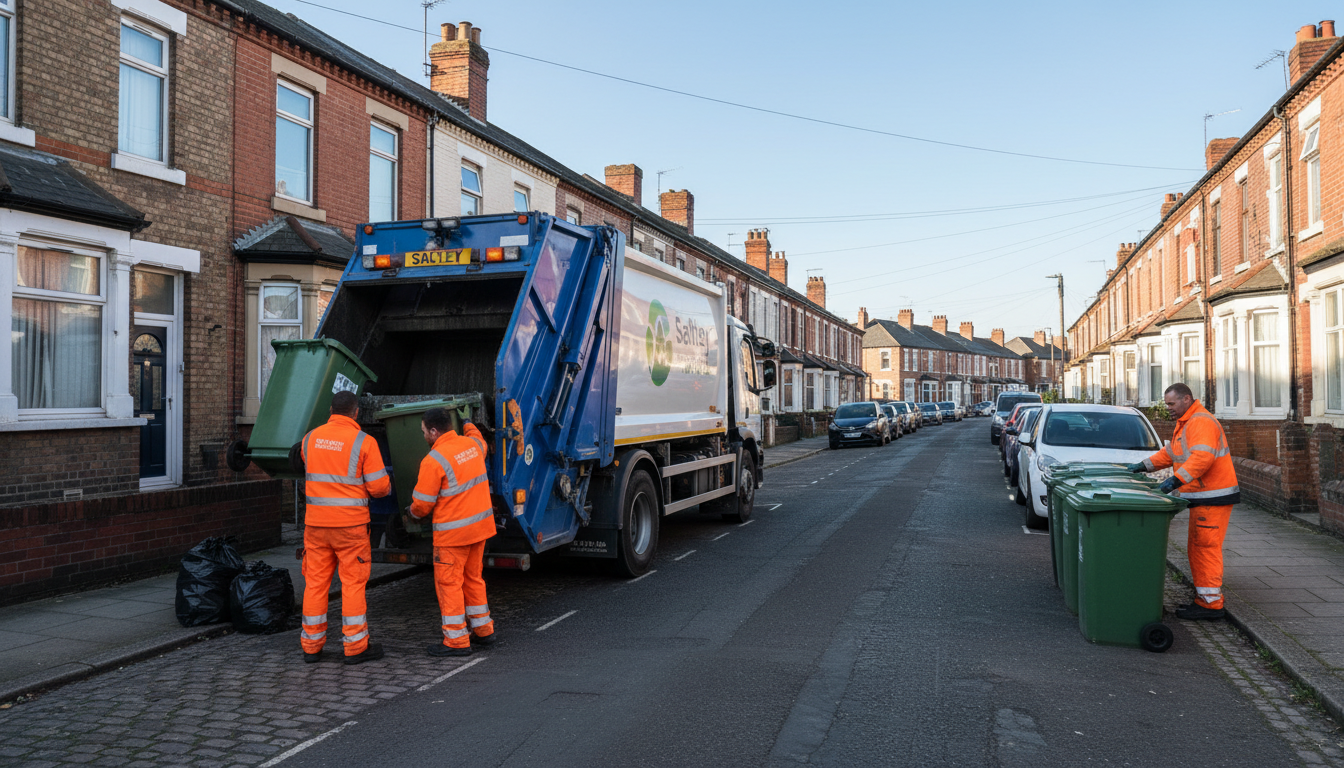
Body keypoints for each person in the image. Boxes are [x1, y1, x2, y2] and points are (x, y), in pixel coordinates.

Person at [1127, 382, 1240, 620]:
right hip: (1205, 496)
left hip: (1212, 496)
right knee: (1198, 547)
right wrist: (1143, 466)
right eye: (1166, 403)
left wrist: (1174, 482)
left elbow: (1202, 459)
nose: (1167, 408)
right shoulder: (1187, 423)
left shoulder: (1200, 421)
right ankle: (1205, 599)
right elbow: (1171, 453)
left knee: (1205, 548)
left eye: (1171, 403)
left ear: (1186, 399)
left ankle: (1211, 605)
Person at [297, 389, 391, 664]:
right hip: (350, 528)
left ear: (330, 411)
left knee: (315, 584)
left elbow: (308, 465)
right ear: (356, 413)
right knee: (352, 584)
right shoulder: (364, 442)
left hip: (315, 526)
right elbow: (379, 487)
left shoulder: (309, 439)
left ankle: (311, 647)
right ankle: (355, 647)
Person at [406, 408, 497, 657]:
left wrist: (410, 514)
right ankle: (484, 631)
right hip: (479, 530)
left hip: (453, 536)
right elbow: (479, 438)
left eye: (424, 431)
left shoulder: (433, 460)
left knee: (450, 585)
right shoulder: (473, 446)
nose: (423, 434)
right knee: (473, 579)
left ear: (434, 432)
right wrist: (467, 421)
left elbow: (423, 504)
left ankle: (456, 640)